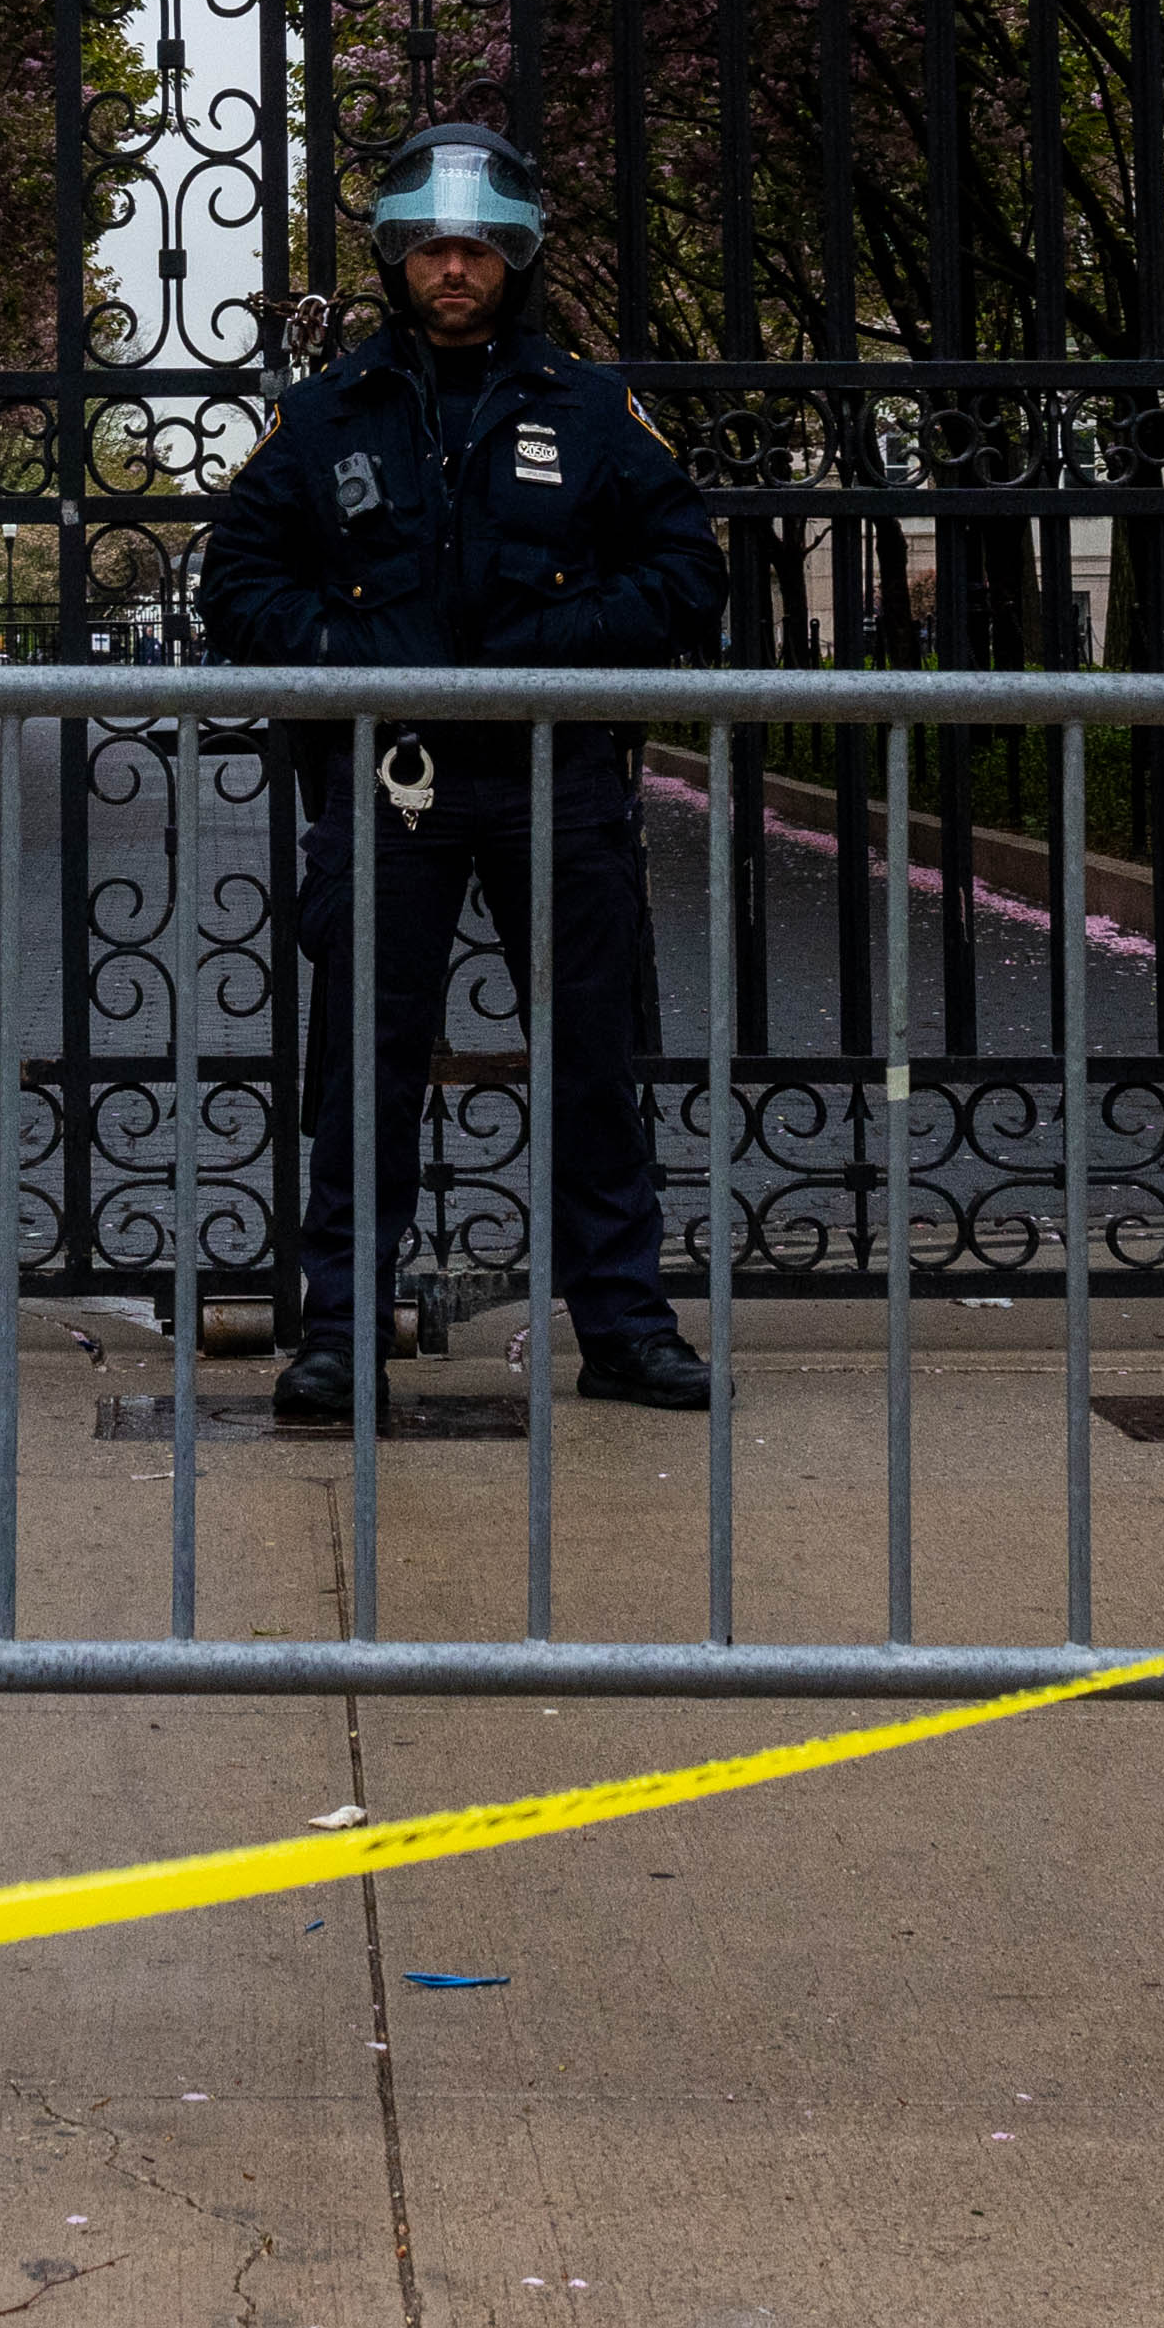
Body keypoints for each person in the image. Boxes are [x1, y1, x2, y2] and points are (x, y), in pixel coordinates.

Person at [193, 125, 727, 1428]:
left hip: (556, 778)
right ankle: (338, 1337)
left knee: (590, 1065)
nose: (452, 268)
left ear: (515, 257)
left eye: (476, 248)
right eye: (431, 247)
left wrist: (550, 645)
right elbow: (240, 585)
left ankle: (622, 1326)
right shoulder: (323, 418)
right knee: (364, 1070)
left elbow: (685, 572)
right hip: (392, 785)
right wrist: (352, 655)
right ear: (394, 258)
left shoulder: (593, 411)